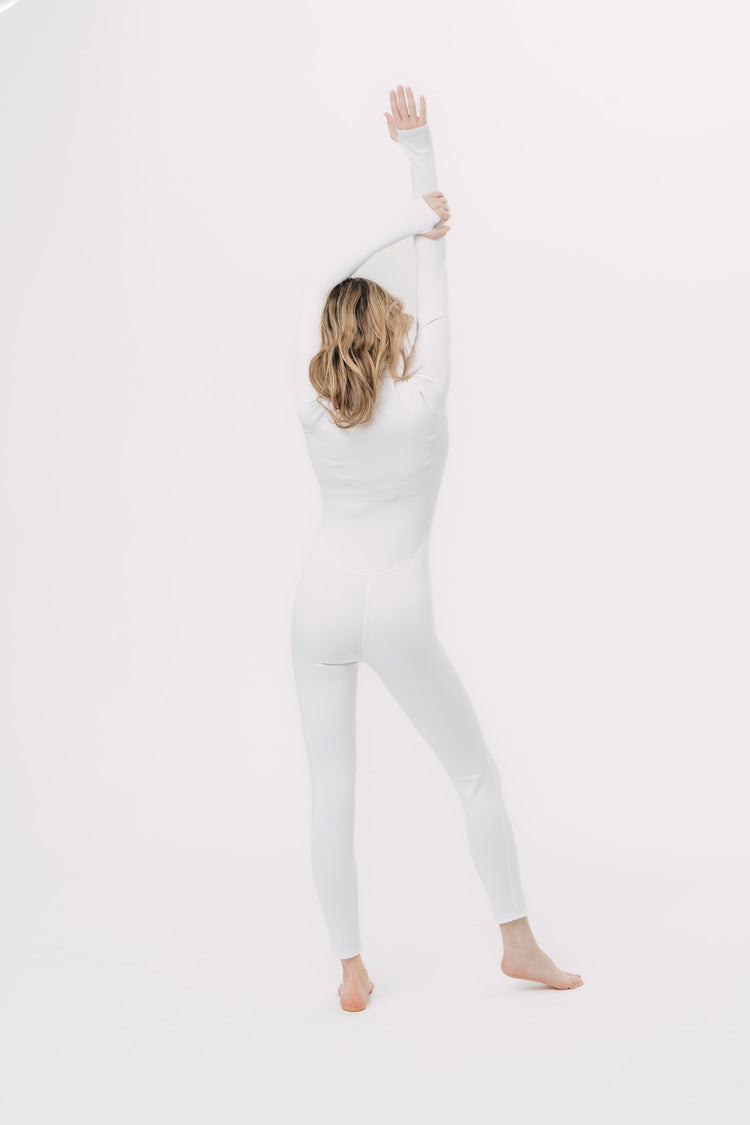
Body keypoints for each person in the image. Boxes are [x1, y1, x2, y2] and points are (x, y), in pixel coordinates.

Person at [291, 86, 583, 1011]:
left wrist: (405, 209)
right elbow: (437, 272)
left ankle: (349, 969)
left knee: (331, 789)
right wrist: (422, 170)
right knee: (473, 772)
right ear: (390, 332)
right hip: (397, 608)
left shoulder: (312, 405)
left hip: (319, 600)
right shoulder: (423, 400)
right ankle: (518, 942)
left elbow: (323, 275)